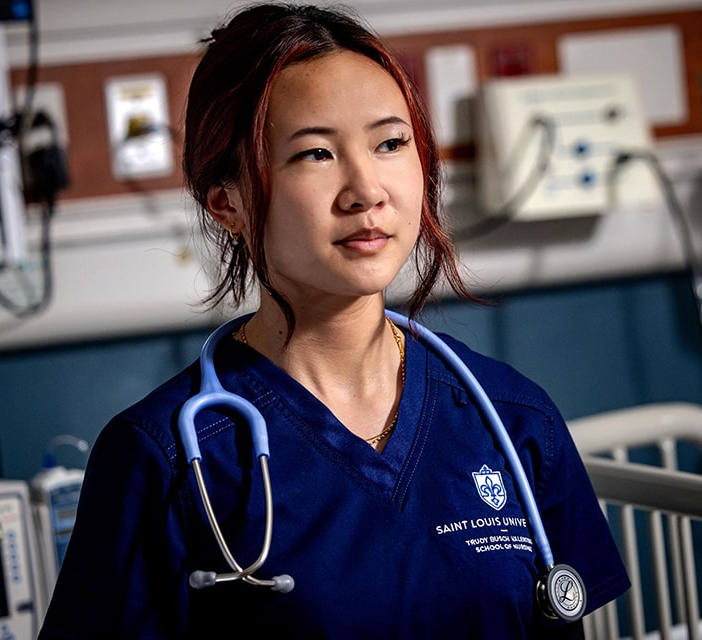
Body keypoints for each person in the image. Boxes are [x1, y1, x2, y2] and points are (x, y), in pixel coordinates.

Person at [38, 3, 630, 638]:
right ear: (227, 201)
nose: (365, 190)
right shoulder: (168, 459)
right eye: (316, 154)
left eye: (390, 143)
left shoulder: (512, 420)